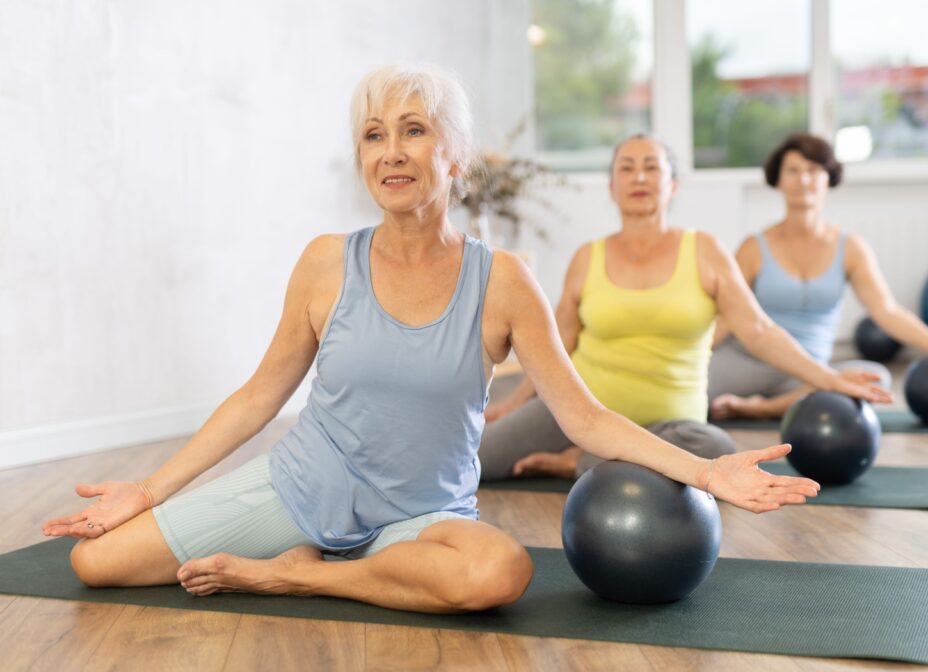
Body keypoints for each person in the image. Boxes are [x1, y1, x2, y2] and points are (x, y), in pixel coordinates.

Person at [41, 66, 822, 615]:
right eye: (375, 135)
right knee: (94, 562)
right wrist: (150, 489)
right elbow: (257, 398)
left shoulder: (505, 281)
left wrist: (706, 474)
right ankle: (320, 559)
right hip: (301, 487)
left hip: (421, 518)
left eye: (413, 131)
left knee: (499, 572)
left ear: (454, 158)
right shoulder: (324, 263)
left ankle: (302, 579)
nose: (391, 152)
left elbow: (586, 419)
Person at [478, 134, 892, 482]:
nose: (639, 176)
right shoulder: (588, 257)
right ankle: (596, 454)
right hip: (582, 413)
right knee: (476, 460)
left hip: (672, 427)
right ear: (611, 186)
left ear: (673, 185)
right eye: (626, 167)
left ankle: (579, 462)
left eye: (653, 167)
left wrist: (829, 378)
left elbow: (759, 331)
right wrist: (510, 407)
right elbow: (554, 347)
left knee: (712, 447)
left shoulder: (705, 251)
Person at [707, 133, 928, 420]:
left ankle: (757, 408)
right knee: (680, 388)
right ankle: (777, 405)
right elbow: (728, 318)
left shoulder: (850, 248)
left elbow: (885, 310)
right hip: (745, 361)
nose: (803, 180)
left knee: (874, 379)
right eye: (793, 171)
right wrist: (681, 358)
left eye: (813, 170)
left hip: (810, 371)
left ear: (829, 178)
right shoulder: (754, 248)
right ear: (778, 180)